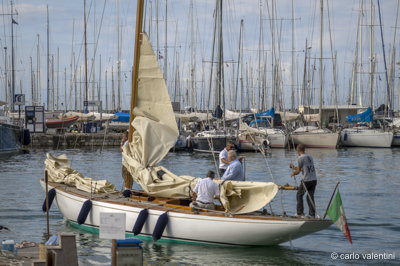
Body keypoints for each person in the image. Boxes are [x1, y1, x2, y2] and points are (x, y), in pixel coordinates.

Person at [290, 144, 317, 217]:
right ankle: (312, 214)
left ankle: (299, 213)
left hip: (306, 180)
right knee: (310, 197)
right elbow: (303, 169)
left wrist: (293, 173)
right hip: (314, 180)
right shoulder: (310, 157)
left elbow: (298, 171)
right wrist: (293, 167)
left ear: (298, 151)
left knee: (299, 195)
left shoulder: (300, 158)